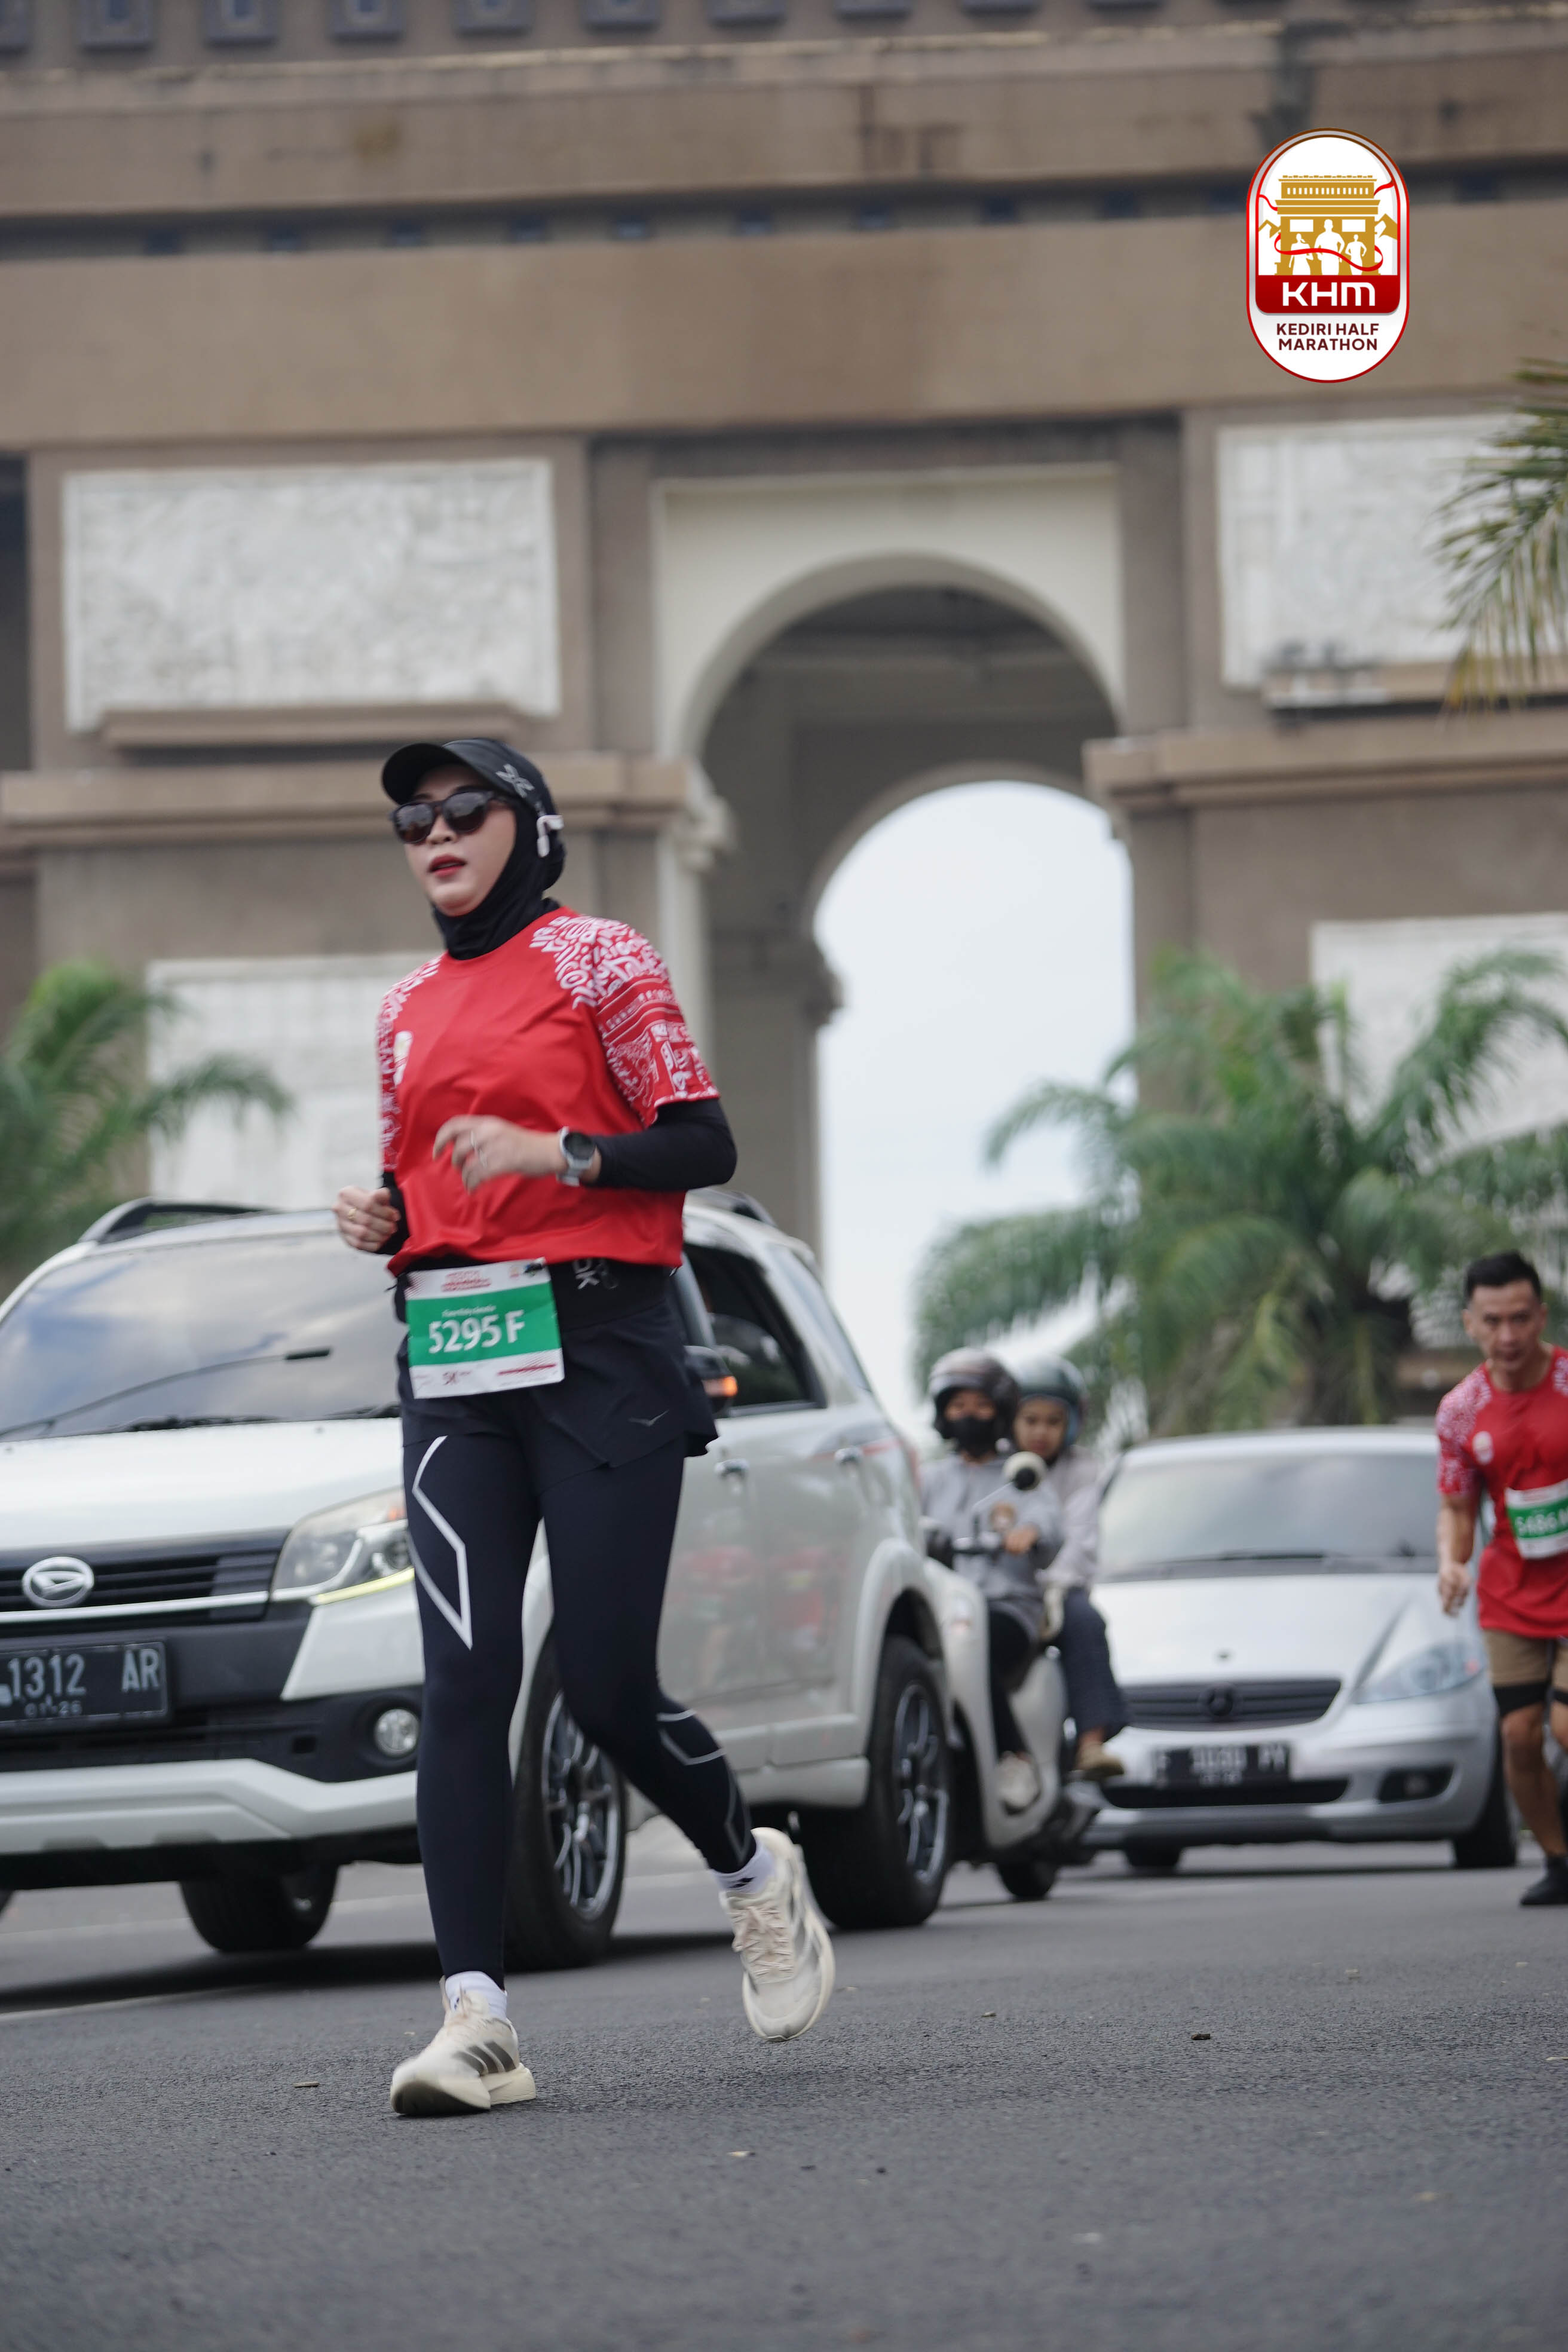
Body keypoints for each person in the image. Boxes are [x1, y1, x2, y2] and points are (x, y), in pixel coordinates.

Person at [335, 736, 834, 2115]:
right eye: (411, 820)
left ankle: (754, 1875)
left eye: (462, 808)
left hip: (603, 1347)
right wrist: (386, 1216)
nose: (434, 833)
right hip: (453, 1359)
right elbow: (425, 1185)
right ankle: (476, 2018)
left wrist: (561, 1154)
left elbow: (702, 1143)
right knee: (461, 1683)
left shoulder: (602, 959)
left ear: (530, 828)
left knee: (606, 1688)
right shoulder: (402, 1011)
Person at [1436, 1248, 1568, 1908]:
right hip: (1511, 1591)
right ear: (1470, 1324)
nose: (1507, 1335)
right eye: (1492, 1321)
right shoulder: (1461, 1410)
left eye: (1519, 1318)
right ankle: (1558, 1859)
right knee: (1518, 1737)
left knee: (1567, 1727)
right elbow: (1457, 1507)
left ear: (1541, 1315)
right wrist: (1452, 1561)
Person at [920, 1348, 1064, 1812]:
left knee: (972, 1648)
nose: (969, 1415)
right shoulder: (929, 1480)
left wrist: (1030, 1531)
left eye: (981, 1406)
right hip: (942, 1613)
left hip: (1007, 1611)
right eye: (958, 1406)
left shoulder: (1020, 1473)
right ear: (943, 1414)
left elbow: (1050, 1524)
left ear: (1000, 1412)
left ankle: (1013, 1757)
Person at [1010, 1357, 1128, 1784]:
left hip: (1059, 1590)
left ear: (1072, 1424)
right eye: (1031, 1420)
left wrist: (1052, 1593)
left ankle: (1090, 1743)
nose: (1041, 1432)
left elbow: (1080, 1542)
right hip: (1007, 1592)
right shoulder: (998, 1468)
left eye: (1053, 1422)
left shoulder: (1082, 1470)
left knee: (1085, 1622)